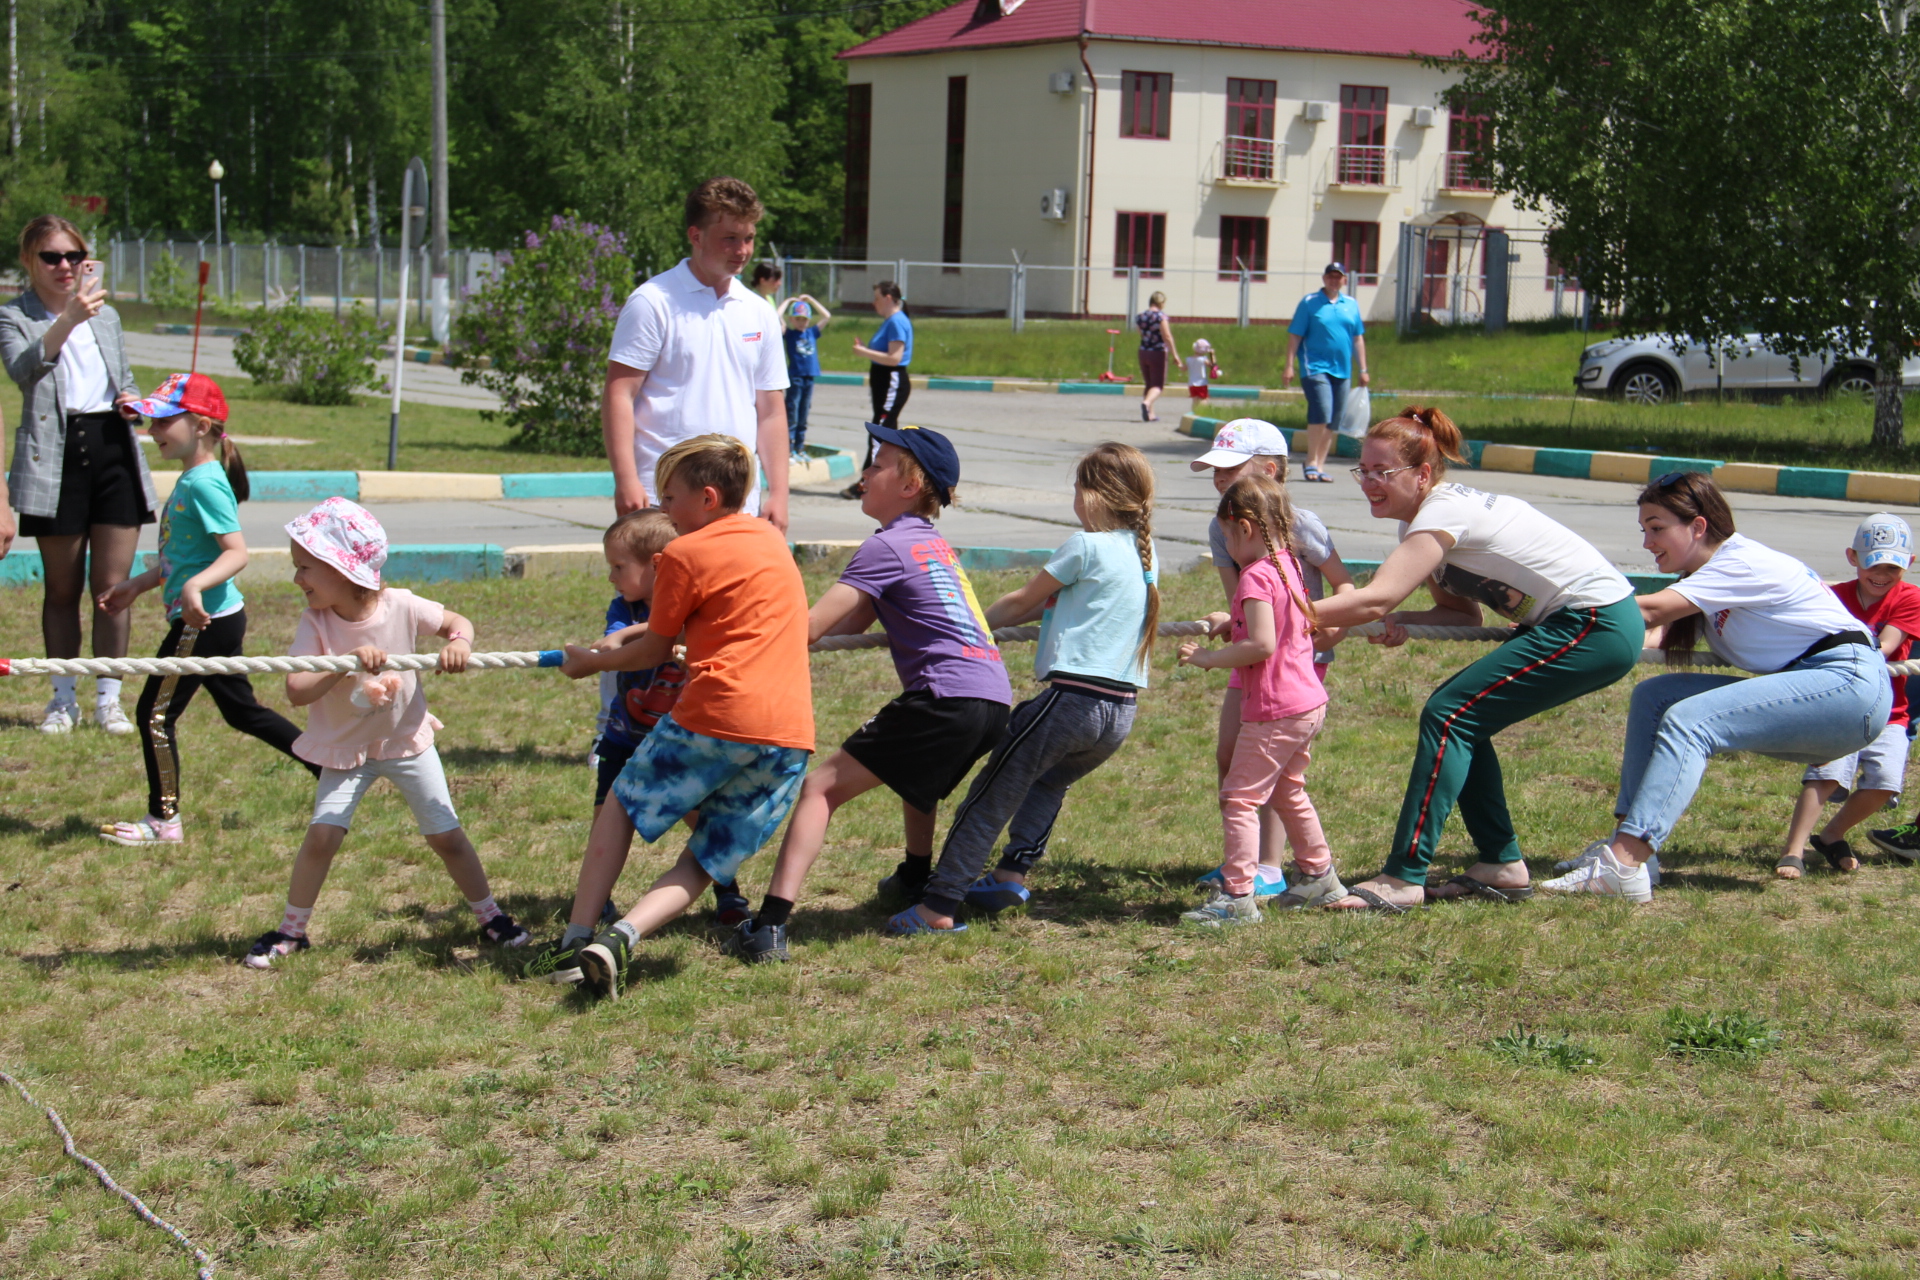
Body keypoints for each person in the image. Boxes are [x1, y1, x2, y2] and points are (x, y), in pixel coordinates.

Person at [1310, 406, 1641, 912]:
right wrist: (1405, 623)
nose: (1369, 483)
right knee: (1465, 720)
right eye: (1364, 471)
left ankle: (1403, 877)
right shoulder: (1421, 524)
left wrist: (1277, 611)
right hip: (1569, 625)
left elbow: (1375, 598)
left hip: (1595, 623)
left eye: (1384, 472)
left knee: (1448, 715)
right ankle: (1501, 865)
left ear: (1422, 474)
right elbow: (1459, 615)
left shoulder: (1442, 512)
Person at [1543, 472, 1893, 902]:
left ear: (1698, 526)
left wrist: (1552, 608)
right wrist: (1546, 636)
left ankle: (1625, 861)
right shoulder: (1705, 583)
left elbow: (1647, 611)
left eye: (1657, 528)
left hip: (1849, 685)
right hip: (1822, 692)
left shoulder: (1739, 561)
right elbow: (1646, 635)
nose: (1648, 543)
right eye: (1644, 531)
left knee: (1691, 720)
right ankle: (1631, 853)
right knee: (1655, 697)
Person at [550, 435, 814, 1002]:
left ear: (708, 498)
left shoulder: (684, 556)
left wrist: (590, 662)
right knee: (707, 856)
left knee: (620, 798)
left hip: (717, 711)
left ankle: (575, 938)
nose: (664, 510)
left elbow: (651, 652)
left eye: (670, 499)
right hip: (789, 734)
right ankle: (622, 937)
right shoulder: (773, 541)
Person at [738, 424, 1013, 962]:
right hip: (991, 699)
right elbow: (860, 617)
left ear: (910, 486)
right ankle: (915, 875)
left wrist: (744, 623)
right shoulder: (933, 546)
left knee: (819, 788)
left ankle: (768, 926)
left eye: (878, 463)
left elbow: (811, 627)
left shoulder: (886, 546)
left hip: (945, 697)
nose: (865, 473)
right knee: (919, 782)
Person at [243, 497, 531, 969]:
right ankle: (291, 931)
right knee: (321, 837)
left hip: (406, 742)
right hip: (345, 751)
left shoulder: (401, 605)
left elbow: (459, 623)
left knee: (447, 837)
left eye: (306, 568)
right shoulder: (314, 622)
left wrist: (461, 643)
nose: (297, 579)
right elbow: (296, 691)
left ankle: (491, 917)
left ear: (346, 569)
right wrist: (343, 666)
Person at [890, 442, 1159, 933]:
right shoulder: (1143, 555)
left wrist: (967, 626)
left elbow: (1021, 603)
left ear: (1095, 495)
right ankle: (1012, 873)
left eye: (1079, 488)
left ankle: (939, 905)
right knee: (1048, 782)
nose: (1075, 500)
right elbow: (1056, 605)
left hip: (1070, 703)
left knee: (991, 792)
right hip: (1120, 712)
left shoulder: (1084, 545)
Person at [92, 372, 318, 846]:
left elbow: (235, 553)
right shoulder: (192, 479)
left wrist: (194, 589)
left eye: (162, 423)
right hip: (213, 616)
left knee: (153, 713)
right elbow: (183, 557)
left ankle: (163, 822)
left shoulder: (205, 485)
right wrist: (136, 585)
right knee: (243, 713)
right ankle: (327, 767)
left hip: (204, 621)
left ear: (198, 425)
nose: (153, 433)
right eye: (151, 424)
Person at [1187, 418, 1357, 897]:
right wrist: (1230, 621)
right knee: (1231, 753)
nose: (1220, 480)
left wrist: (1331, 632)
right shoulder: (1224, 527)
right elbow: (1241, 597)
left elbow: (1344, 585)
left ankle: (1267, 866)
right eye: (1215, 472)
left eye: (1230, 470)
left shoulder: (1301, 525)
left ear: (1270, 470)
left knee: (1272, 764)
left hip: (1296, 662)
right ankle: (1243, 858)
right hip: (1253, 655)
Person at [0, 214, 151, 734]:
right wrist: (67, 318)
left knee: (112, 588)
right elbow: (23, 370)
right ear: (29, 262)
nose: (64, 266)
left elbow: (122, 379)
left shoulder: (105, 316)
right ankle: (63, 698)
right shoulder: (14, 315)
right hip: (55, 454)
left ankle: (110, 697)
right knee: (62, 589)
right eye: (51, 257)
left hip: (112, 447)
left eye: (73, 255)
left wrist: (133, 402)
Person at [602, 177, 790, 530]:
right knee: (659, 587)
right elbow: (619, 394)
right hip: (662, 496)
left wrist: (778, 492)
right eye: (730, 238)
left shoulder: (758, 310)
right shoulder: (653, 301)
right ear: (696, 236)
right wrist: (626, 479)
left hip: (737, 501)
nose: (743, 250)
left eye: (748, 238)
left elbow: (770, 411)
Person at [1777, 514, 1920, 879]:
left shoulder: (1910, 598)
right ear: (1853, 557)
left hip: (1891, 711)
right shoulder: (1831, 598)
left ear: (1910, 564)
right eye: (1874, 563)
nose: (1882, 574)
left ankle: (1833, 834)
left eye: (1893, 566)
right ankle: (1793, 850)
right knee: (1826, 775)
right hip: (1837, 703)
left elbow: (1885, 647)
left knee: (1884, 785)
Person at [1281, 263, 1369, 484]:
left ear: (1344, 280)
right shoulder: (1310, 303)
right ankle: (1310, 461)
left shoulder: (1350, 304)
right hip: (1315, 367)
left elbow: (1357, 338)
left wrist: (1363, 369)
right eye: (1330, 276)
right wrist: (1289, 365)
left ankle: (1320, 464)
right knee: (1322, 409)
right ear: (1324, 278)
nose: (1334, 280)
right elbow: (1295, 336)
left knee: (1333, 419)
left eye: (1338, 277)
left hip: (1343, 370)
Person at [840, 280, 913, 499]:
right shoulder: (890, 321)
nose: (874, 303)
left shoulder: (896, 322)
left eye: (877, 298)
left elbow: (895, 358)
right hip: (885, 384)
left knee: (878, 435)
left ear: (888, 298)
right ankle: (894, 481)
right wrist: (866, 349)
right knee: (888, 437)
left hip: (892, 382)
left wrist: (864, 353)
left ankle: (865, 485)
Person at [782, 295, 831, 455]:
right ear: (791, 319)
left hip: (809, 376)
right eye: (797, 319)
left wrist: (811, 300)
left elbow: (827, 316)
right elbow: (776, 316)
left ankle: (799, 447)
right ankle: (788, 448)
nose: (801, 322)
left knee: (804, 411)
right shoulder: (789, 334)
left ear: (808, 320)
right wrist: (788, 302)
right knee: (793, 411)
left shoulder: (812, 332)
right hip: (795, 377)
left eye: (804, 319)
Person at [1135, 291, 1179, 422]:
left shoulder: (1140, 316)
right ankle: (1147, 403)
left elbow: (1140, 333)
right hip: (1157, 352)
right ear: (1161, 303)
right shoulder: (1161, 317)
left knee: (1149, 384)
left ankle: (1150, 414)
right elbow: (1167, 336)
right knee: (1158, 385)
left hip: (1143, 351)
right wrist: (1175, 355)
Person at [1185, 337, 1220, 404]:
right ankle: (1202, 411)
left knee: (1195, 400)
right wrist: (1212, 355)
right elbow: (1213, 366)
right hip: (1201, 383)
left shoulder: (1189, 359)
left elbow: (1184, 368)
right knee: (1204, 399)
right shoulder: (1203, 359)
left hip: (1191, 383)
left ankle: (1194, 412)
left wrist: (1178, 364)